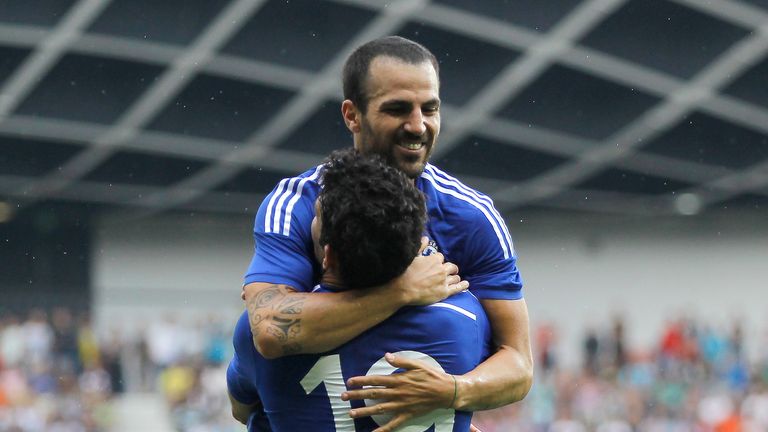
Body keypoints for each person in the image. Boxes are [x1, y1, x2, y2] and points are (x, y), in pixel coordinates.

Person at [242, 36, 533, 430]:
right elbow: (271, 330)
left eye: (430, 108)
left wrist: (454, 391)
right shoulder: (296, 205)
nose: (418, 126)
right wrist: (401, 292)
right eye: (397, 109)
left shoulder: (472, 217)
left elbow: (518, 364)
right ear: (352, 115)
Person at [228, 149, 492, 431]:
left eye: (316, 216)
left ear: (328, 255)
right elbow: (511, 373)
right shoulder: (466, 317)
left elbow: (242, 409)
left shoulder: (261, 332)